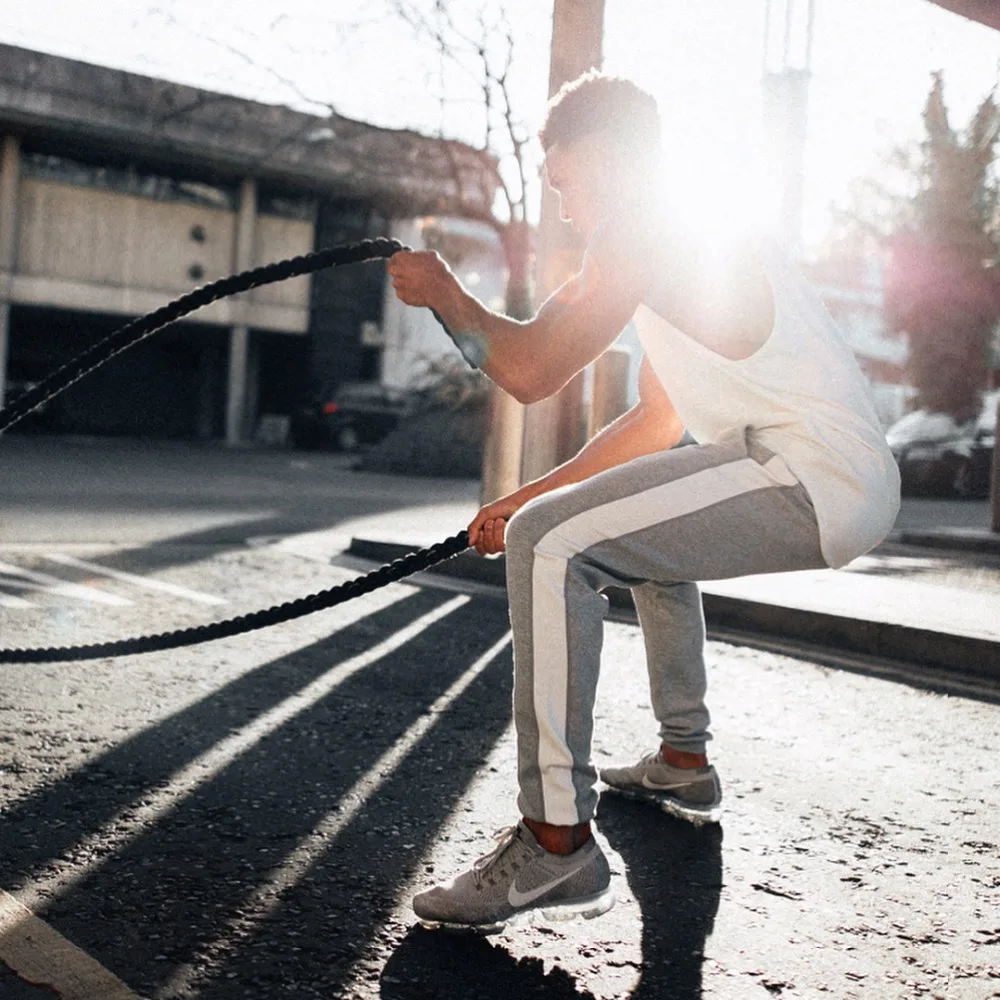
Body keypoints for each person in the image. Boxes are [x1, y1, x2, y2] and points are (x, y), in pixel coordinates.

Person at [387, 71, 900, 934]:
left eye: (565, 181)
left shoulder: (646, 228)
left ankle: (555, 843)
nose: (564, 206)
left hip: (811, 471)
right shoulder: (686, 244)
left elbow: (531, 369)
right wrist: (528, 496)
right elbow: (655, 424)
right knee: (614, 529)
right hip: (816, 469)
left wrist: (446, 295)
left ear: (613, 157)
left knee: (553, 548)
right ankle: (682, 757)